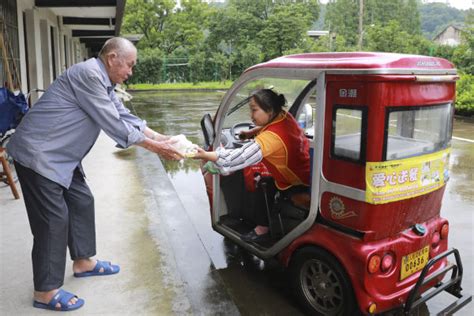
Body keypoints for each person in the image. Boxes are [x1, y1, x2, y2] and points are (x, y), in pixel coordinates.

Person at [6, 37, 183, 311]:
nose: (131, 72)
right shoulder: (88, 74)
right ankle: (45, 291)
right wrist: (156, 148)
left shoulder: (104, 81)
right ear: (112, 58)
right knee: (53, 222)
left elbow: (123, 114)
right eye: (130, 65)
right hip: (39, 156)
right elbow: (113, 123)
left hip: (62, 157)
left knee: (81, 201)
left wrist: (163, 137)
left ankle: (83, 262)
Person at [194, 89, 311, 242]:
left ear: (269, 110)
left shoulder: (272, 138)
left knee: (263, 184)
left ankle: (262, 229)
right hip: (304, 172)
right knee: (266, 182)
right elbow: (270, 126)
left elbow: (238, 158)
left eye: (254, 110)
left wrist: (205, 155)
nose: (251, 115)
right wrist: (251, 133)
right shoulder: (284, 116)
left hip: (295, 182)